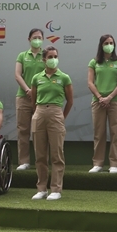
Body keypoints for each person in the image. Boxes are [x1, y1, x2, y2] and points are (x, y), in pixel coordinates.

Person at [30, 46, 73, 201]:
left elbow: (70, 101)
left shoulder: (64, 77)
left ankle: (56, 189)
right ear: (44, 59)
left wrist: (61, 116)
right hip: (40, 113)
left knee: (57, 153)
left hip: (56, 112)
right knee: (40, 154)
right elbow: (33, 99)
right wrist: (38, 113)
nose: (53, 59)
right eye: (50, 56)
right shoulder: (37, 78)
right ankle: (41, 189)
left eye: (55, 56)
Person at [87, 34, 117, 174]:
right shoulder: (94, 62)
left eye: (111, 42)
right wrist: (99, 97)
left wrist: (109, 97)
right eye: (106, 43)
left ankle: (114, 164)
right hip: (98, 102)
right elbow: (90, 82)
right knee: (99, 133)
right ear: (101, 45)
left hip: (114, 102)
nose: (109, 45)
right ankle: (98, 163)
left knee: (115, 133)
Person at [14, 28, 46, 171]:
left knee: (39, 131)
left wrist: (36, 91)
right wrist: (28, 90)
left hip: (41, 97)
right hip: (23, 96)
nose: (37, 40)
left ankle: (41, 160)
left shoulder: (46, 55)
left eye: (39, 37)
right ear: (29, 39)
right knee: (23, 129)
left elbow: (49, 73)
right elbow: (18, 75)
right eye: (34, 37)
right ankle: (24, 161)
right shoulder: (22, 56)